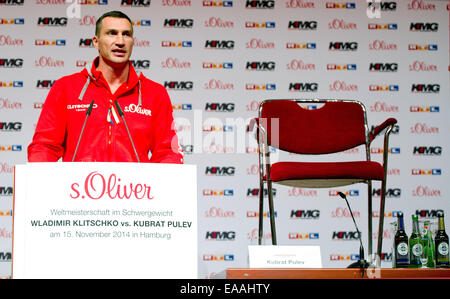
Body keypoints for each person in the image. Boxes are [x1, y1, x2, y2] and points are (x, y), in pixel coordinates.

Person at [28, 11, 183, 163]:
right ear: (96, 41)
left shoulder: (155, 93)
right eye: (112, 33)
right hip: (80, 187)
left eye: (126, 34)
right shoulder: (65, 88)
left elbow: (168, 152)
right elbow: (44, 147)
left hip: (133, 188)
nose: (120, 41)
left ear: (133, 41)